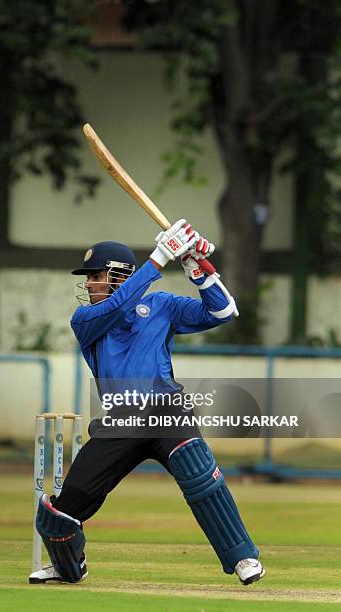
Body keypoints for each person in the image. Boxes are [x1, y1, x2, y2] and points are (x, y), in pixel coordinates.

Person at [30, 219, 265, 586]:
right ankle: (66, 565)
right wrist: (158, 259)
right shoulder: (87, 319)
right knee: (62, 509)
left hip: (167, 411)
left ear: (120, 276)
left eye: (96, 276)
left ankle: (243, 556)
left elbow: (223, 312)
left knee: (200, 476)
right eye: (88, 277)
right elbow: (119, 308)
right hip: (120, 420)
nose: (89, 284)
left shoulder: (161, 305)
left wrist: (196, 270)